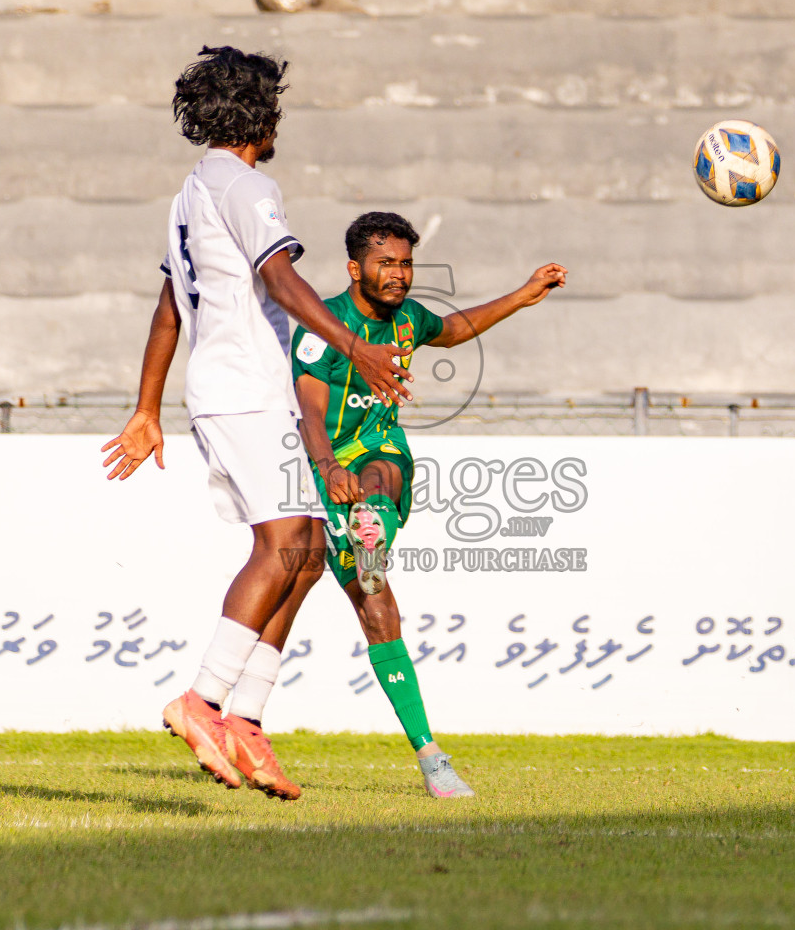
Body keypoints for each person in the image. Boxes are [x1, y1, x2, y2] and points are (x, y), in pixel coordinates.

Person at [100, 47, 411, 801]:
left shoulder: (191, 192)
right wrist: (355, 346)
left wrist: (148, 408)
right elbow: (279, 275)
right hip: (244, 388)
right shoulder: (245, 184)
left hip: (237, 389)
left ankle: (246, 716)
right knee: (288, 545)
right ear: (260, 114)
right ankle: (201, 701)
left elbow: (171, 307)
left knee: (306, 552)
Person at [291, 211, 567, 798]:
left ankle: (372, 529)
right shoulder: (324, 326)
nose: (398, 274)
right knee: (377, 609)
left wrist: (521, 295)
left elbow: (455, 328)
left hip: (378, 452)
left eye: (406, 263)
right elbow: (309, 411)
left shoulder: (409, 319)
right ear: (354, 267)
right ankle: (431, 756)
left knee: (385, 473)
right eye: (386, 262)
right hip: (329, 462)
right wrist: (327, 467)